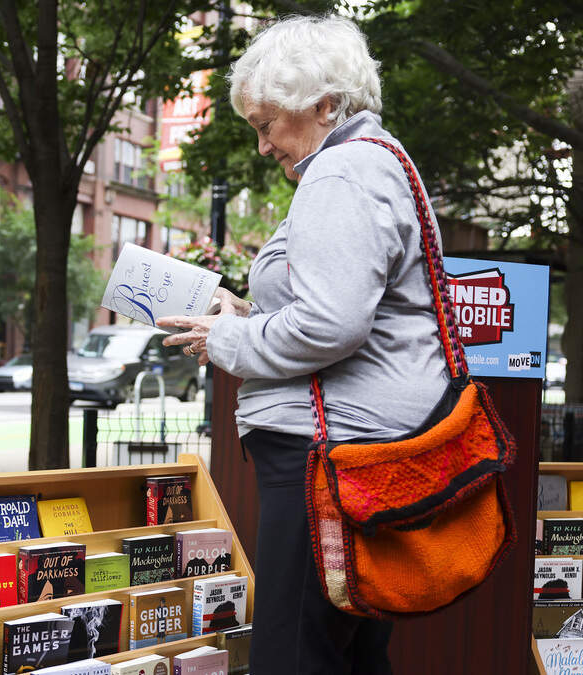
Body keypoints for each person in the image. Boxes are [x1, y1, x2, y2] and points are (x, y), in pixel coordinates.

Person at [159, 14, 450, 675]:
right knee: (346, 653)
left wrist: (229, 337)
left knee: (293, 653)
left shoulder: (340, 173)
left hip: (325, 460)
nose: (262, 146)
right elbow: (340, 308)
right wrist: (248, 310)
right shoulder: (378, 163)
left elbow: (330, 326)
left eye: (266, 124)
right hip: (359, 457)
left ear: (324, 105)